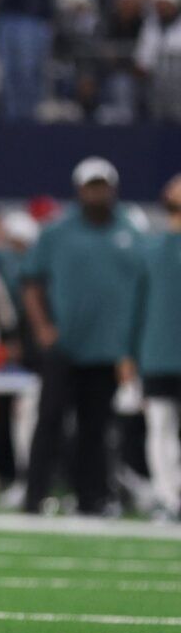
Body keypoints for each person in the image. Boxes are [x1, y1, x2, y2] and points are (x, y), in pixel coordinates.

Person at [22, 158, 146, 516]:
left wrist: (131, 350)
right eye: (91, 186)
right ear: (79, 190)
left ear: (113, 188)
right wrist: (42, 327)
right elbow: (31, 281)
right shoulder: (57, 232)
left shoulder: (130, 232)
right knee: (50, 422)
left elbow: (142, 288)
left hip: (108, 350)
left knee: (95, 430)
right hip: (64, 346)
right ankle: (36, 497)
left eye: (102, 185)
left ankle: (91, 499)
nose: (97, 192)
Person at [134, 174, 181, 521]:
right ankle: (167, 497)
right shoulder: (150, 249)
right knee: (160, 427)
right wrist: (127, 352)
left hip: (160, 353)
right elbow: (134, 306)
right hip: (158, 354)